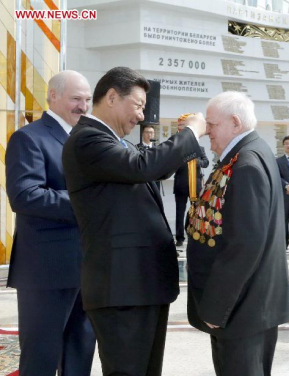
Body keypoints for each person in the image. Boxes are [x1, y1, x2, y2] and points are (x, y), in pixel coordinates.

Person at [62, 66, 206, 375]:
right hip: (121, 289)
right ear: (112, 97)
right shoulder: (87, 139)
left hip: (140, 285)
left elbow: (152, 169)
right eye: (138, 105)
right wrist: (189, 133)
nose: (141, 116)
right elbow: (142, 167)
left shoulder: (114, 142)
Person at [186, 91, 289, 376]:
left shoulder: (246, 164)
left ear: (234, 122)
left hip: (242, 310)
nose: (207, 132)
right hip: (247, 306)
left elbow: (244, 245)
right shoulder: (247, 152)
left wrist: (216, 308)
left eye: (211, 124)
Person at [5, 70, 96, 375]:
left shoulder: (85, 139)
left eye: (86, 100)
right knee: (41, 359)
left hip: (87, 268)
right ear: (53, 96)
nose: (82, 106)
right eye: (75, 99)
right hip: (45, 270)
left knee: (80, 354)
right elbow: (25, 196)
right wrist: (88, 201)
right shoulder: (28, 137)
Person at [173, 113, 210, 247]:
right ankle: (179, 237)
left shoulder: (199, 148)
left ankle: (194, 234)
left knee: (196, 211)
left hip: (196, 185)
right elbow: (172, 164)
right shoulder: (177, 148)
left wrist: (196, 161)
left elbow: (206, 162)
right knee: (179, 212)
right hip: (181, 185)